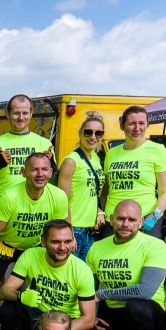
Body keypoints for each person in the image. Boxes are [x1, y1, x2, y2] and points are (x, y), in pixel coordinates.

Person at [85, 200, 166, 330]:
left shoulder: (155, 246)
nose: (126, 224)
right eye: (121, 218)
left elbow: (145, 290)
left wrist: (102, 294)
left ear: (141, 222)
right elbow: (87, 288)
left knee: (136, 306)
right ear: (111, 219)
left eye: (132, 220)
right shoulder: (97, 247)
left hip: (148, 312)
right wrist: (91, 318)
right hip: (114, 309)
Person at [0, 220, 98, 330]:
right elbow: (3, 291)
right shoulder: (30, 255)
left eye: (67, 241)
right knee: (8, 308)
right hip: (38, 316)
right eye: (56, 242)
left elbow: (89, 319)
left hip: (66, 321)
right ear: (43, 242)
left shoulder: (82, 271)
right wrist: (21, 296)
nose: (62, 247)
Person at [0, 152, 68, 285]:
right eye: (34, 169)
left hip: (34, 248)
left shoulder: (59, 196)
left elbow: (59, 233)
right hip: (6, 247)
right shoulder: (10, 196)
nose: (40, 174)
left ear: (51, 172)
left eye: (44, 169)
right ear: (24, 173)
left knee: (35, 287)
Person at [101, 105, 166, 239]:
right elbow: (105, 191)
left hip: (144, 218)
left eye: (141, 123)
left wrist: (155, 215)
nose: (137, 128)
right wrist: (105, 213)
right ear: (122, 126)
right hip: (113, 220)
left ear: (147, 125)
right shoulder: (111, 153)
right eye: (131, 123)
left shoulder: (157, 150)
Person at [0, 94, 54, 221]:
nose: (21, 117)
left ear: (31, 114)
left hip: (35, 210)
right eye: (16, 113)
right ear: (8, 114)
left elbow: (54, 182)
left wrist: (53, 164)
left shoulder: (45, 144)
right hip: (0, 209)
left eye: (25, 113)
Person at [58, 111, 107, 260]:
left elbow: (90, 193)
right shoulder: (71, 161)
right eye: (88, 132)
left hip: (90, 230)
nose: (93, 137)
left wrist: (99, 212)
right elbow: (62, 201)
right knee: (70, 271)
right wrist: (68, 232)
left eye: (98, 133)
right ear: (80, 133)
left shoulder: (95, 158)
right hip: (75, 229)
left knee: (84, 272)